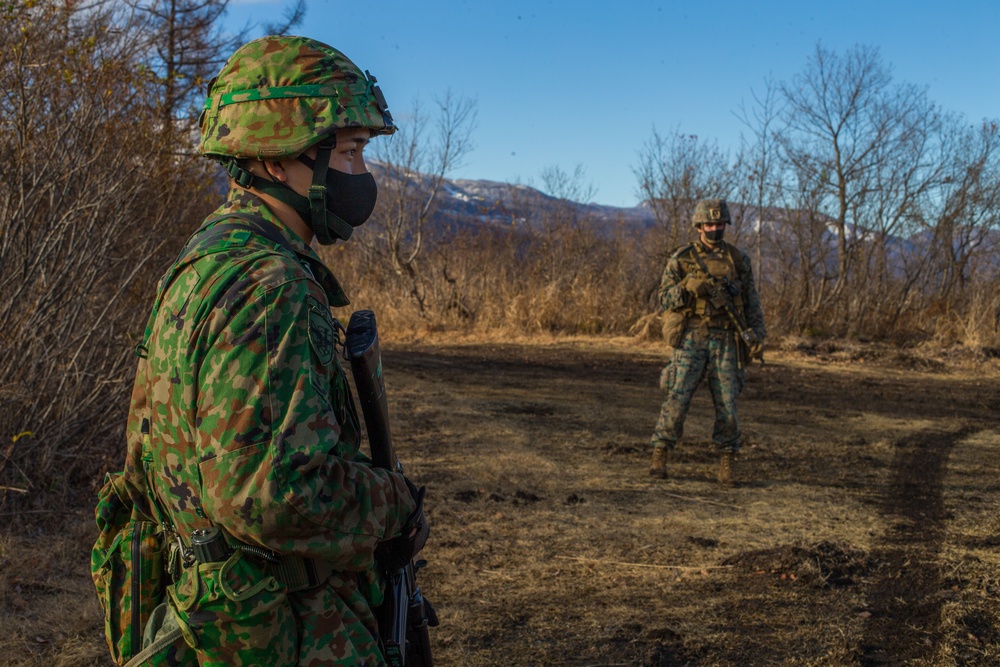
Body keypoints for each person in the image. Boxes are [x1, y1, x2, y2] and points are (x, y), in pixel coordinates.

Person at [117, 35, 426, 666]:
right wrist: (394, 502)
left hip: (217, 617)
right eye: (349, 151)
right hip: (273, 633)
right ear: (279, 157)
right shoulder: (267, 286)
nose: (360, 175)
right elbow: (268, 492)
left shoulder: (208, 259)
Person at [648, 199, 766, 486]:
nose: (715, 229)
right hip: (692, 337)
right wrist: (686, 290)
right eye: (710, 224)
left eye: (719, 224)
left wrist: (757, 336)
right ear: (699, 226)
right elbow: (662, 298)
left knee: (728, 404)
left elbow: (752, 303)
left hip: (727, 338)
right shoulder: (682, 259)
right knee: (677, 398)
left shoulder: (738, 260)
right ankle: (659, 455)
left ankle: (728, 462)